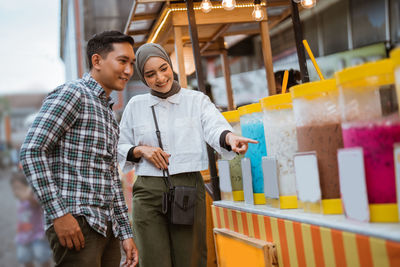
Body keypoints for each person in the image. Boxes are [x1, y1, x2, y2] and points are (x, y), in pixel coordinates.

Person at [117, 43, 256, 267]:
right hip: (148, 191)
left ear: (171, 65)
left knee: (189, 259)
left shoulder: (196, 100)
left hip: (187, 187)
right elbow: (119, 145)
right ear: (143, 78)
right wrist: (140, 150)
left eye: (164, 69)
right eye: (150, 74)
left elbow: (214, 127)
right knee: (153, 261)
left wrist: (230, 138)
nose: (160, 78)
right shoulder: (135, 105)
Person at [20, 31, 138, 267]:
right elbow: (32, 151)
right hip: (77, 223)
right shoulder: (73, 94)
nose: (128, 71)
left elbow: (111, 178)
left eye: (132, 64)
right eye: (122, 61)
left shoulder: (107, 111)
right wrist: (59, 215)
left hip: (107, 227)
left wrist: (125, 232)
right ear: (97, 61)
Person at [10, 172, 52, 267]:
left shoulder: (31, 199)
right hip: (23, 236)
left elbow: (35, 203)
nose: (16, 191)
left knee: (42, 256)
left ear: (27, 188)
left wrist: (29, 195)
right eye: (14, 189)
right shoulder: (19, 201)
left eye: (19, 188)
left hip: (37, 235)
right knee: (24, 257)